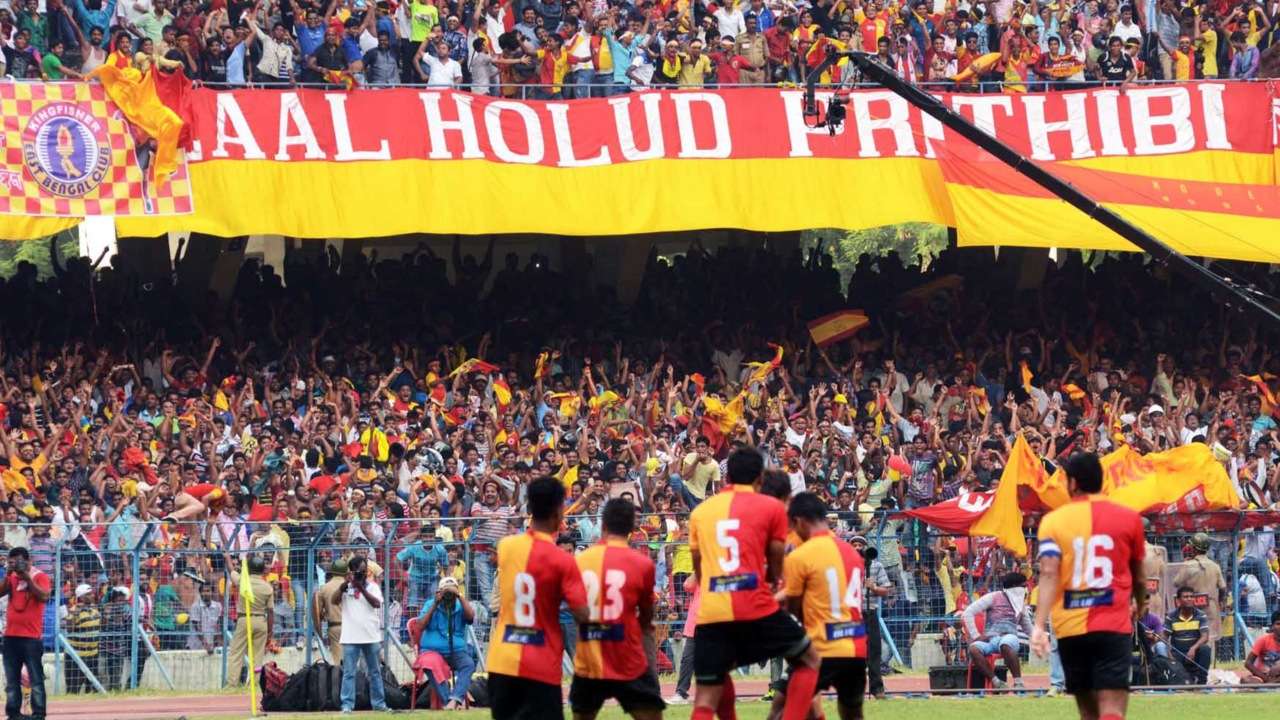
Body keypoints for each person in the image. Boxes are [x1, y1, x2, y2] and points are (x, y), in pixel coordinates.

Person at [687, 447, 821, 720]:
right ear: (759, 477)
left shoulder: (700, 513)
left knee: (705, 699)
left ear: (726, 476)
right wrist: (771, 581)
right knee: (809, 659)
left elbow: (699, 569)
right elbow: (775, 566)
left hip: (712, 612)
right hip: (755, 606)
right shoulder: (770, 507)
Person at [1031, 451, 1145, 720]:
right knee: (1113, 710)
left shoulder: (1052, 521)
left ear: (1072, 483)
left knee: (1088, 712)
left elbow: (1048, 572)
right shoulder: (1129, 518)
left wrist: (1038, 625)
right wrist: (1142, 602)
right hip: (1114, 624)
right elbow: (1139, 576)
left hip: (1070, 627)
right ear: (1101, 480)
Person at [486, 476, 588, 720]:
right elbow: (582, 613)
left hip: (502, 661)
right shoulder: (563, 561)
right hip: (540, 664)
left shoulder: (507, 547)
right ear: (558, 510)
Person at [766, 492, 867, 720]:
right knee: (852, 713)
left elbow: (794, 609)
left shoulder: (801, 556)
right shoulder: (852, 553)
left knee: (783, 711)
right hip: (856, 647)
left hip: (820, 648)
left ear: (799, 521)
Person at [569, 498, 664, 720]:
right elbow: (647, 611)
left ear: (603, 525)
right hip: (628, 657)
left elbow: (575, 609)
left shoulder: (580, 561)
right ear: (632, 527)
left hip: (589, 660)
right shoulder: (642, 564)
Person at [1, 546, 51, 720]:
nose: (18, 565)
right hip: (11, 636)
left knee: (36, 679)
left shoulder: (40, 576)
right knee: (12, 679)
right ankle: (13, 713)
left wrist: (28, 579)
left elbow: (44, 596)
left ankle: (38, 714)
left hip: (31, 637)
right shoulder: (12, 577)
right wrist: (8, 574)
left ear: (29, 561)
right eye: (13, 562)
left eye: (20, 561)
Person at [414, 576, 476, 710]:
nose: (449, 596)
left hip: (456, 651)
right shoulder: (431, 603)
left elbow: (471, 618)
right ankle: (450, 701)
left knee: (468, 664)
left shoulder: (460, 605)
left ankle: (454, 700)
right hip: (432, 651)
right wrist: (435, 604)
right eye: (446, 592)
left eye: (451, 593)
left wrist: (459, 596)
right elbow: (419, 626)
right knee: (430, 663)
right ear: (439, 592)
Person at [962, 572, 1032, 689]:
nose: (1026, 589)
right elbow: (968, 612)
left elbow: (1029, 629)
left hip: (1009, 638)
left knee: (1005, 644)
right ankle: (996, 682)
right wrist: (976, 636)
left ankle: (1018, 683)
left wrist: (1043, 640)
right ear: (1015, 586)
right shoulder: (993, 597)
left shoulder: (1021, 605)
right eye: (1024, 586)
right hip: (991, 640)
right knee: (973, 649)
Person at [339, 555, 390, 713]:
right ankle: (347, 705)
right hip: (350, 636)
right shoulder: (346, 587)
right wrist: (345, 585)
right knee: (349, 673)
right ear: (352, 571)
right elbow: (334, 600)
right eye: (359, 570)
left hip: (370, 636)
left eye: (364, 570)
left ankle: (379, 704)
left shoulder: (373, 586)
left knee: (375, 672)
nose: (362, 573)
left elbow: (376, 604)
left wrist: (360, 587)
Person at [850, 535, 891, 699]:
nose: (857, 547)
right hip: (852, 613)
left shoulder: (876, 566)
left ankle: (877, 689)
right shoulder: (845, 565)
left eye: (860, 544)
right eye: (854, 544)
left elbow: (886, 590)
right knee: (852, 653)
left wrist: (873, 587)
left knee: (874, 651)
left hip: (870, 612)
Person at [225, 553, 274, 687]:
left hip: (244, 619)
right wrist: (270, 631)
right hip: (261, 620)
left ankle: (232, 684)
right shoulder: (267, 587)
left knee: (236, 652)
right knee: (257, 655)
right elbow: (270, 611)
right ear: (263, 569)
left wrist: (227, 557)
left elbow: (231, 570)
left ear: (249, 568)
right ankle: (254, 683)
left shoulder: (243, 581)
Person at [1164, 586, 1211, 684]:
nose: (1189, 599)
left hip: (1195, 653)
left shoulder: (1200, 615)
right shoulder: (1171, 616)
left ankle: (1202, 682)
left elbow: (1205, 637)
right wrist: (1169, 654)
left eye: (1191, 596)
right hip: (1178, 653)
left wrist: (1193, 648)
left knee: (1205, 649)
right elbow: (1164, 637)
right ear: (1178, 600)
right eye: (1185, 597)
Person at [314, 559, 348, 666]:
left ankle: (338, 682)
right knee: (351, 663)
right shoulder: (351, 586)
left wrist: (320, 634)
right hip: (352, 627)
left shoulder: (324, 588)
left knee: (337, 663)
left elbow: (317, 612)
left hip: (334, 627)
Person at [1241, 610, 1280, 683]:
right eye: (1278, 624)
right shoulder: (1263, 640)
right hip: (1263, 675)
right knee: (1246, 681)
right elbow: (1248, 663)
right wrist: (1265, 678)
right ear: (1272, 627)